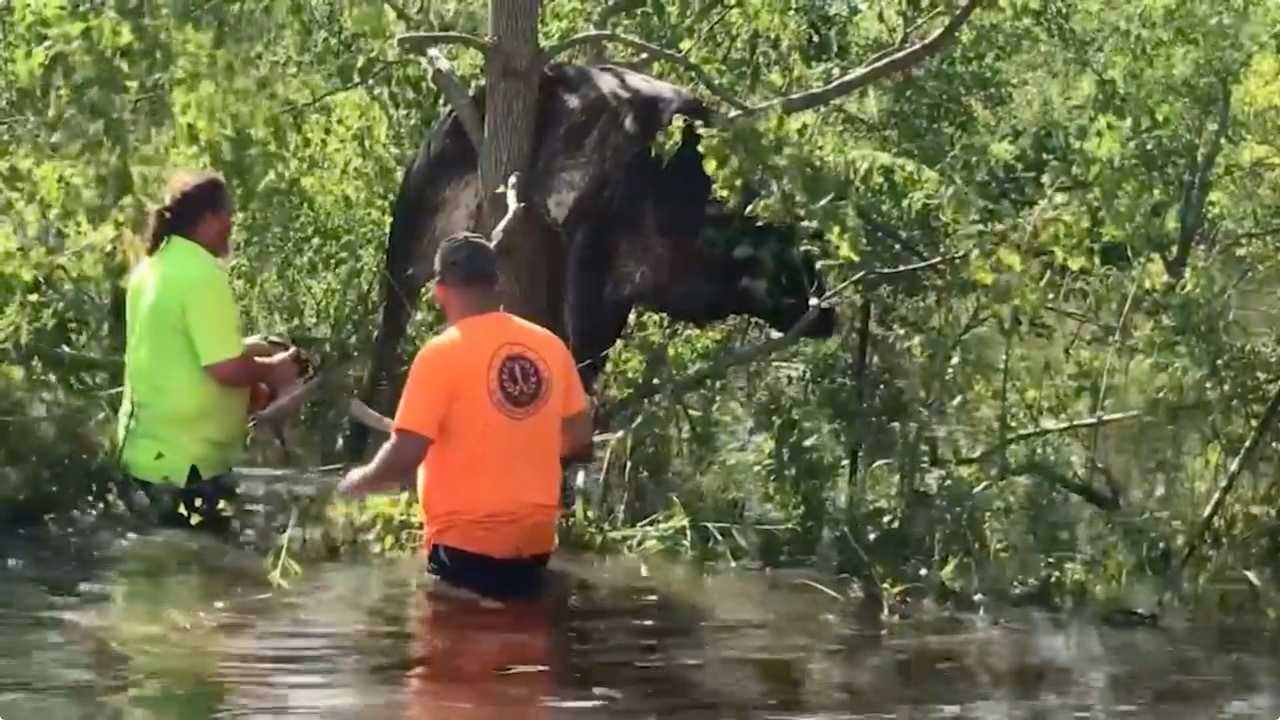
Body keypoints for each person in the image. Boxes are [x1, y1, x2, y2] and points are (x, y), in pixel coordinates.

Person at [337, 231, 594, 603]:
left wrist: (358, 482)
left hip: (465, 546)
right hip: (536, 540)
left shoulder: (440, 354)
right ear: (498, 283)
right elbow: (579, 438)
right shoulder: (549, 346)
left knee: (450, 635)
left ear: (439, 290)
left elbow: (406, 455)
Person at [115, 170, 299, 535]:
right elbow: (225, 369)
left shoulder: (151, 269)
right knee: (205, 563)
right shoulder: (201, 274)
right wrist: (273, 369)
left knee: (162, 561)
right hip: (189, 467)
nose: (232, 226)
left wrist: (253, 351)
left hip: (141, 459)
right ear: (212, 218)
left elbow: (177, 354)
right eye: (229, 215)